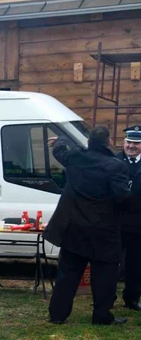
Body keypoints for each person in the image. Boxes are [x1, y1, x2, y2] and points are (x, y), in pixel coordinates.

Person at [45, 126, 130, 325]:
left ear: (88, 142)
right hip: (104, 231)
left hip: (74, 227)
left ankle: (57, 314)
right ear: (109, 142)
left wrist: (58, 141)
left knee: (67, 274)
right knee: (105, 276)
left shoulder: (76, 158)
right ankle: (101, 315)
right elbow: (121, 197)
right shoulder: (116, 166)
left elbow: (61, 152)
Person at [118, 125, 141, 311]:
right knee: (110, 262)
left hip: (137, 223)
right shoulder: (114, 160)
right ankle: (106, 298)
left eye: (136, 143)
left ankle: (132, 299)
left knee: (135, 263)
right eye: (129, 142)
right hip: (115, 222)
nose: (131, 146)